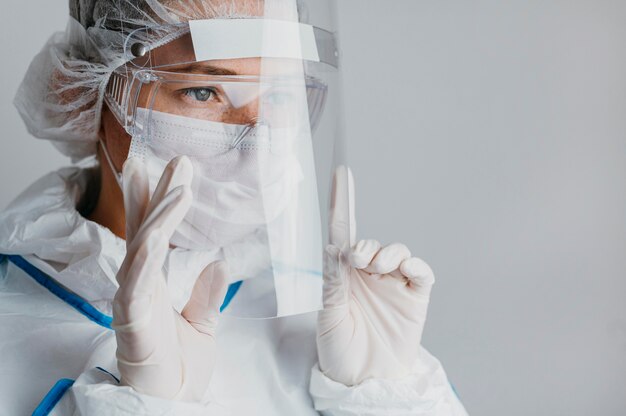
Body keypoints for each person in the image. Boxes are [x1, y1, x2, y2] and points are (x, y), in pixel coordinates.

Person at [0, 1, 468, 414]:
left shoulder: (328, 319)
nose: (259, 137)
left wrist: (382, 396)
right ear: (89, 93)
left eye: (280, 95)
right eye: (204, 92)